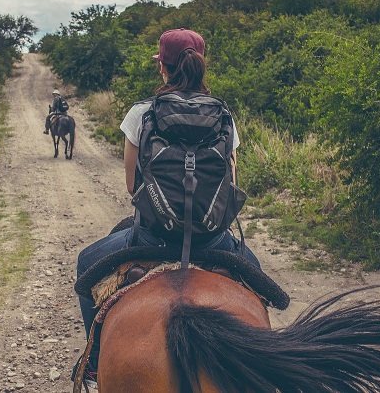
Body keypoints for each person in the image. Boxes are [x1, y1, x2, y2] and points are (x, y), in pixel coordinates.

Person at [73, 28, 261, 389]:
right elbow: (231, 179)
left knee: (86, 264)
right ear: (202, 65)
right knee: (255, 276)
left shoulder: (141, 113)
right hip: (212, 240)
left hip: (152, 237)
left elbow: (132, 186)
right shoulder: (224, 115)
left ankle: (95, 367)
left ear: (164, 68)